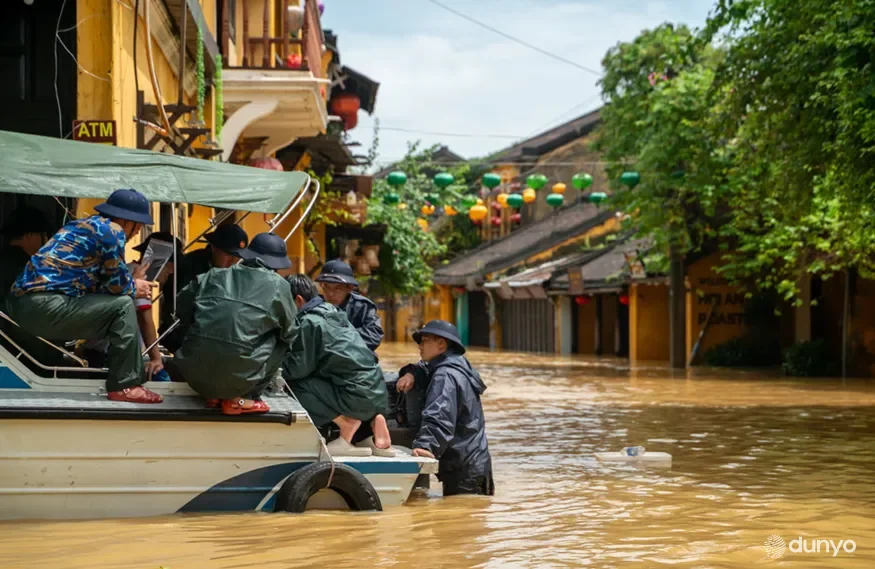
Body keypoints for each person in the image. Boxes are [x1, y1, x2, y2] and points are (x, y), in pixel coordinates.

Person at [6, 189, 163, 403]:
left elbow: (98, 285)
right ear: (125, 221)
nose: (137, 233)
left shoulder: (79, 226)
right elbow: (118, 288)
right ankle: (125, 385)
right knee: (124, 306)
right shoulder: (112, 231)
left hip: (21, 308)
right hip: (45, 305)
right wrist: (135, 285)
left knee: (118, 306)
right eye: (139, 226)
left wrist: (130, 282)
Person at [169, 233, 297, 415]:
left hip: (194, 377)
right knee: (284, 341)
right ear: (276, 265)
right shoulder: (279, 286)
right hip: (241, 380)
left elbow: (182, 309)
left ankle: (213, 395)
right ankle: (242, 400)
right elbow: (290, 332)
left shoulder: (212, 275)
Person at [283, 274, 392, 457]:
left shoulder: (310, 322)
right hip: (377, 393)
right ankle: (373, 426)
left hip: (356, 397)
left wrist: (273, 369)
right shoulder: (334, 312)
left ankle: (345, 425)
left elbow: (298, 369)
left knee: (293, 385)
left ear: (298, 300)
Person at [397, 320, 493, 496]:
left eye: (425, 340)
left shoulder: (445, 375)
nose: (420, 346)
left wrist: (426, 445)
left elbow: (440, 414)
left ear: (441, 344)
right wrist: (411, 372)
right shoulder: (458, 366)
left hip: (464, 470)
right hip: (474, 463)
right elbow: (424, 368)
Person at [130, 232, 185, 379]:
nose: (172, 271)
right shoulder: (139, 277)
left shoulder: (130, 270)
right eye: (170, 265)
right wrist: (156, 359)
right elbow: (145, 320)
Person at [315, 259, 384, 352]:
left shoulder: (363, 307)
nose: (330, 294)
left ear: (349, 288)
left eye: (337, 289)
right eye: (326, 287)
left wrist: (338, 338)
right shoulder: (314, 306)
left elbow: (374, 336)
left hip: (356, 359)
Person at [0, 206, 53, 301]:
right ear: (31, 236)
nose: (47, 240)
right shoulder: (26, 268)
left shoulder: (6, 259)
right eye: (45, 235)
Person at [178, 223, 248, 288]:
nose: (232, 261)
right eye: (229, 255)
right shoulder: (189, 266)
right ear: (213, 247)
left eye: (238, 257)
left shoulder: (239, 273)